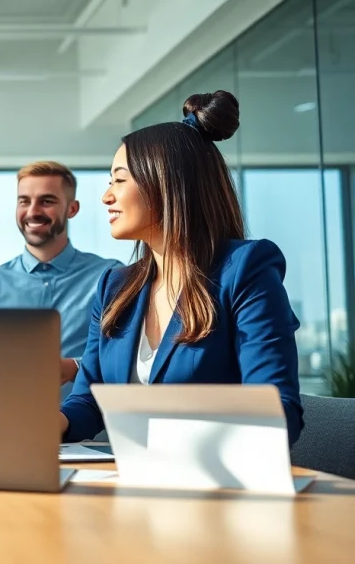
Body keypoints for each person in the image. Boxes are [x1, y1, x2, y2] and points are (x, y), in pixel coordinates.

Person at [60, 90, 304, 446]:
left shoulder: (245, 271)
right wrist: (49, 422)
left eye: (119, 179)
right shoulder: (114, 287)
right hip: (133, 484)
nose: (106, 196)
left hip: (217, 487)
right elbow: (89, 401)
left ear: (164, 182)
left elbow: (278, 411)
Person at [0, 161, 121, 394]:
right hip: (4, 422)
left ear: (72, 209)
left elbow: (124, 356)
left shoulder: (110, 277)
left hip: (90, 427)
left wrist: (75, 367)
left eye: (46, 201)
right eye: (24, 201)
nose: (32, 211)